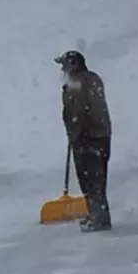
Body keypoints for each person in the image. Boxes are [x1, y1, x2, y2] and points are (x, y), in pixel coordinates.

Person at [55, 50, 112, 232]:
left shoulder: (78, 84)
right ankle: (97, 214)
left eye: (65, 65)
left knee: (92, 180)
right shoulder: (90, 80)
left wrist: (76, 133)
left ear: (74, 65)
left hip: (89, 138)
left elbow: (80, 112)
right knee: (94, 179)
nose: (63, 69)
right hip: (97, 136)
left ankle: (99, 218)